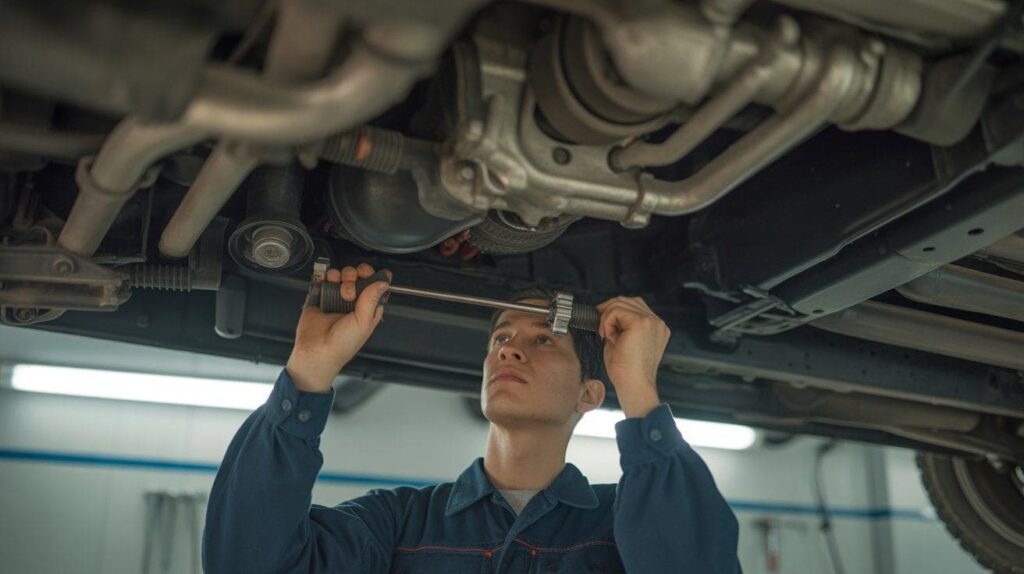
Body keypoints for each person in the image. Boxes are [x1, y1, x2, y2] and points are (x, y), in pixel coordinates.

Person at [203, 262, 742, 573]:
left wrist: (640, 390)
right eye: (501, 337)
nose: (509, 350)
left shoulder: (621, 522)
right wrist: (309, 369)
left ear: (590, 393)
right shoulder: (399, 522)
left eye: (541, 341)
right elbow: (247, 565)